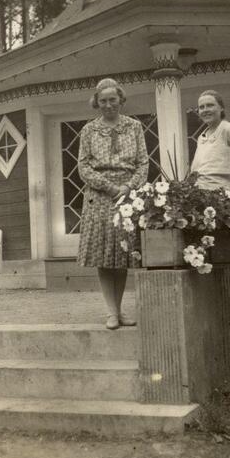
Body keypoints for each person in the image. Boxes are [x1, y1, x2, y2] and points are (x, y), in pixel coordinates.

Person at [77, 78, 149, 330]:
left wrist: (128, 188)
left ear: (121, 100)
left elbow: (143, 163)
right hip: (99, 196)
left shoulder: (134, 127)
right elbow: (83, 167)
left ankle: (119, 310)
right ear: (96, 102)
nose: (108, 105)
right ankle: (111, 312)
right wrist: (109, 187)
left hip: (128, 197)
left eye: (113, 100)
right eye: (103, 100)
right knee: (104, 255)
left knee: (122, 254)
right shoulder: (89, 130)